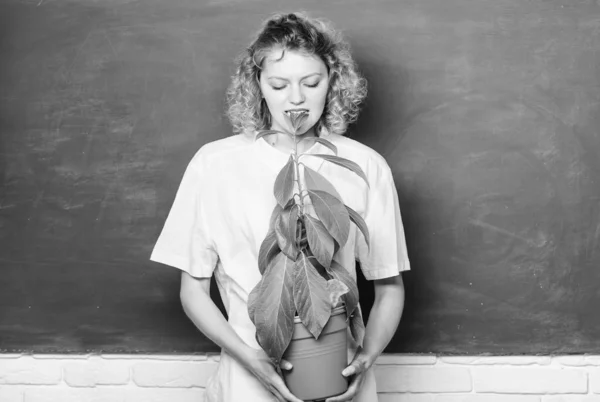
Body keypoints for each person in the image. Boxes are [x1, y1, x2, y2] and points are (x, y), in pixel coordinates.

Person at [150, 12, 410, 402]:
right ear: (258, 86)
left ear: (332, 83)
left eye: (311, 82)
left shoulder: (365, 166)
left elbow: (389, 285)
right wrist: (250, 358)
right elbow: (193, 290)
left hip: (339, 375)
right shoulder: (214, 164)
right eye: (278, 84)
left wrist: (367, 358)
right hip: (247, 380)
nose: (296, 99)